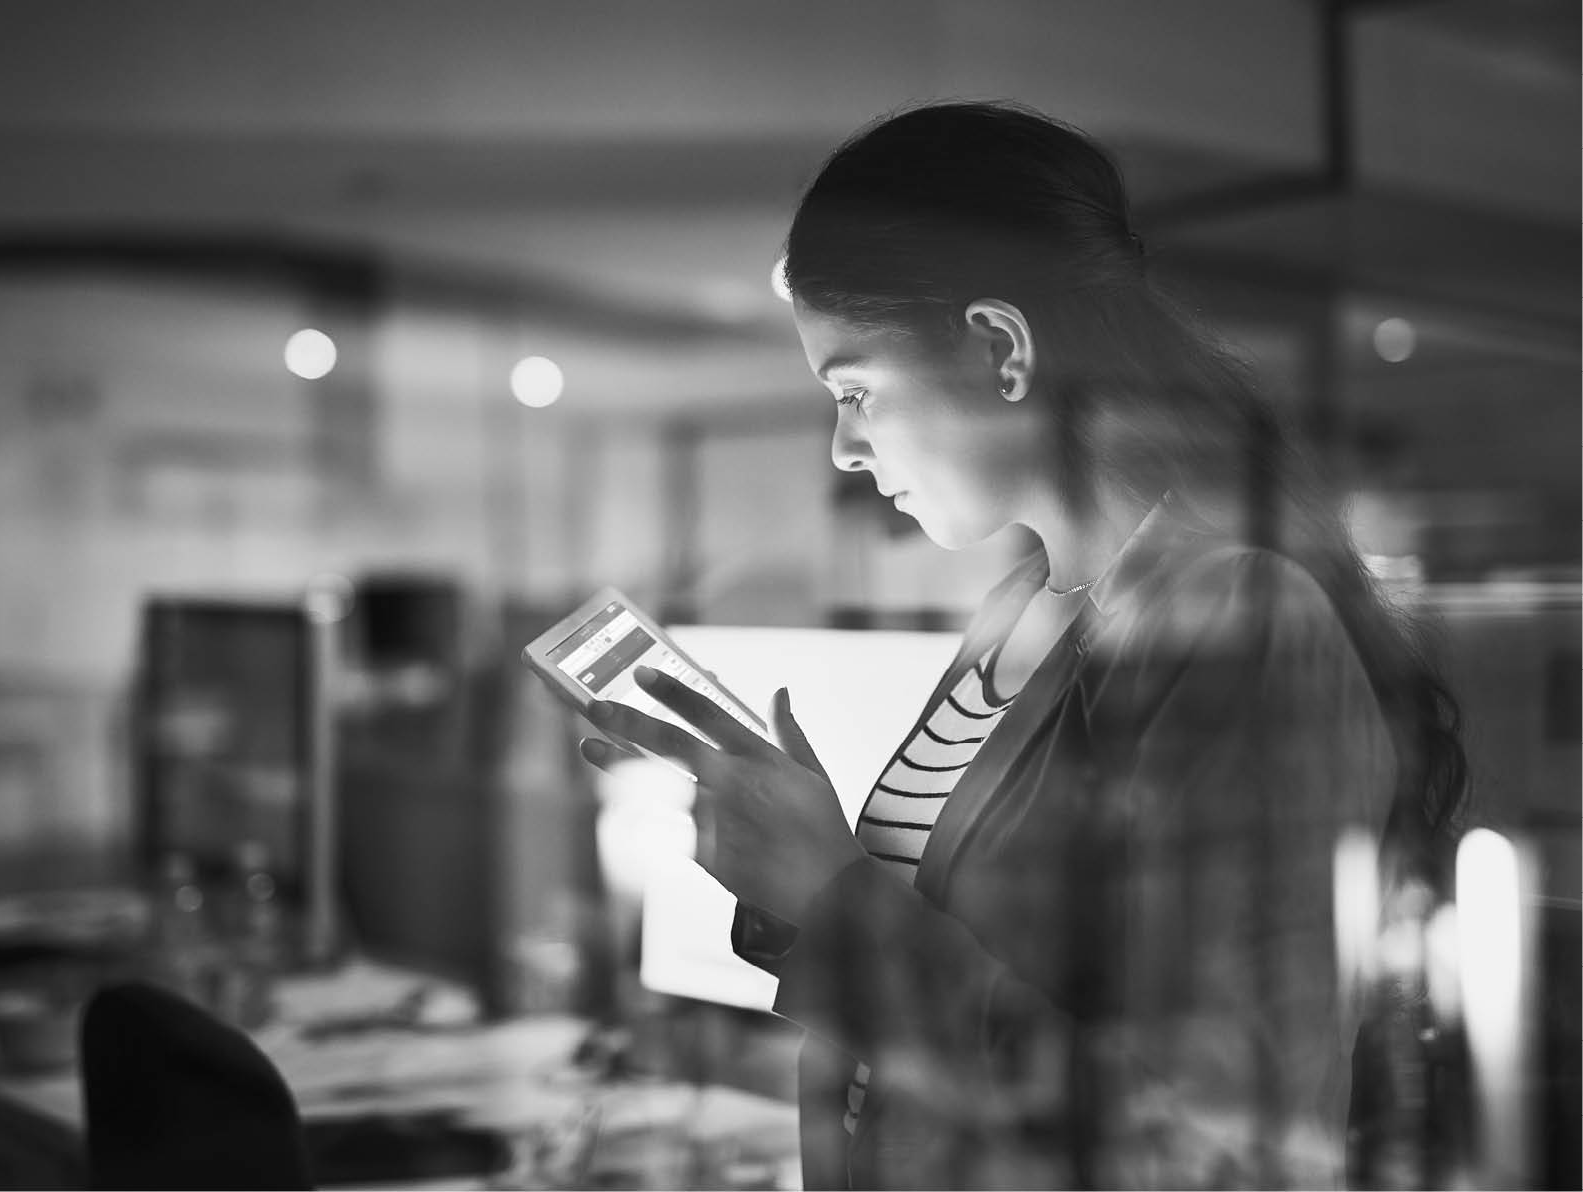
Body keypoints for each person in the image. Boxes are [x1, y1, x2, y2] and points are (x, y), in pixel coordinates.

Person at [578, 101, 1466, 1189]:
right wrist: (776, 855)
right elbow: (941, 968)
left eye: (854, 390)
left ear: (1000, 345)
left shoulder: (1239, 619)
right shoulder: (1026, 605)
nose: (843, 448)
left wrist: (834, 895)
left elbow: (1207, 1137)